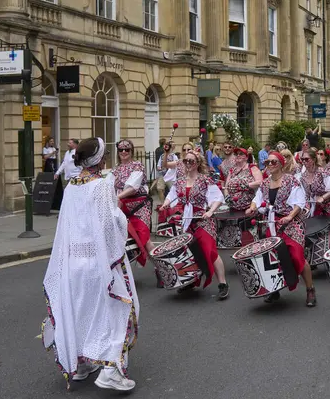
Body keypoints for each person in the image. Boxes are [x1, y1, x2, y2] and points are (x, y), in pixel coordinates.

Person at [42, 137, 138, 391]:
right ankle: (111, 370)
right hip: (97, 262)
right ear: (100, 159)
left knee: (82, 311)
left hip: (74, 263)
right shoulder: (102, 184)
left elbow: (66, 227)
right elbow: (109, 224)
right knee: (116, 312)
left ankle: (83, 363)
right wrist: (120, 221)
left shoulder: (72, 185)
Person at [246, 152, 316, 307]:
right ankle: (274, 289)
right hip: (272, 222)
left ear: (281, 164)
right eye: (267, 162)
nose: (270, 165)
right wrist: (251, 208)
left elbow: (299, 202)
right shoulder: (265, 183)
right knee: (272, 256)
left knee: (297, 255)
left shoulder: (291, 181)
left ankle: (310, 289)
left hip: (292, 223)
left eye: (273, 162)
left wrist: (290, 216)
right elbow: (257, 200)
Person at [159, 150, 230, 299]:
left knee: (209, 251)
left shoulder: (205, 180)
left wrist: (210, 211)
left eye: (191, 161)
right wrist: (165, 205)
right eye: (186, 161)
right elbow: (171, 196)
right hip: (187, 221)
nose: (188, 164)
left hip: (203, 220)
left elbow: (218, 197)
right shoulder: (179, 181)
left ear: (197, 163)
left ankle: (223, 283)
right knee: (189, 252)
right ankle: (192, 280)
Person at [112, 140, 159, 285]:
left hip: (139, 206)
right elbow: (109, 186)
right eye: (121, 150)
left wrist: (116, 197)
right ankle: (121, 276)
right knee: (118, 240)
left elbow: (132, 188)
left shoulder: (137, 166)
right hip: (122, 206)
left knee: (145, 240)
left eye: (127, 149)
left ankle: (162, 269)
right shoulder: (116, 169)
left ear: (131, 151)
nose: (124, 152)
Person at [297, 148, 330, 217]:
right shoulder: (302, 176)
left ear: (313, 160)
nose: (304, 161)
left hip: (329, 207)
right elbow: (305, 195)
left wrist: (323, 198)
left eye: (306, 159)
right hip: (315, 208)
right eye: (302, 159)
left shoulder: (322, 172)